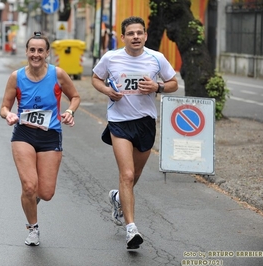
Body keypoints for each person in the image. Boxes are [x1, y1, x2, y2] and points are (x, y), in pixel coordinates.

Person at [91, 16, 178, 249]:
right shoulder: (111, 58)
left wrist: (157, 87)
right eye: (131, 33)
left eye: (139, 33)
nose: (136, 37)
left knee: (135, 174)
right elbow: (96, 78)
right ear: (123, 37)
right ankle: (131, 229)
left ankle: (118, 198)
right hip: (119, 122)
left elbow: (173, 83)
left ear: (145, 36)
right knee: (127, 175)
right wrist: (108, 90)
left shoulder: (156, 58)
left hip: (146, 123)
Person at [0, 32, 80, 246]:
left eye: (40, 50)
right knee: (28, 186)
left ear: (47, 53)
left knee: (45, 192)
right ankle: (33, 228)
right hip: (23, 134)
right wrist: (9, 114)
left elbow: (75, 97)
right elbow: (4, 106)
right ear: (26, 52)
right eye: (32, 50)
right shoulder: (16, 77)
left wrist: (70, 112)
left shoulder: (58, 74)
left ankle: (30, 200)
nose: (36, 54)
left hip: (50, 135)